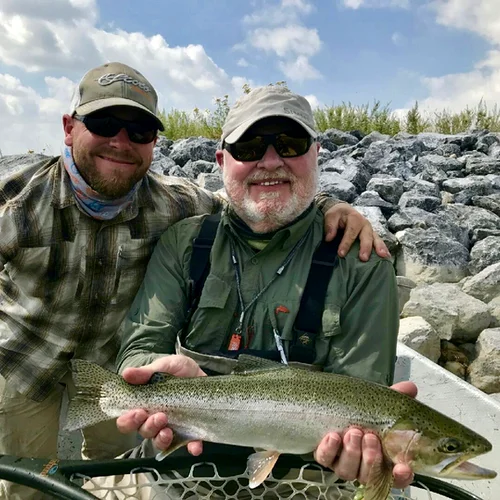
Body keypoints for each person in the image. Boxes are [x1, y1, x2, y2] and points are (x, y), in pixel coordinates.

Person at [0, 63, 388, 500]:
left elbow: (258, 195)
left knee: (108, 458)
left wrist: (331, 204)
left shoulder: (175, 205)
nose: (121, 142)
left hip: (114, 366)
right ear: (69, 128)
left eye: (140, 130)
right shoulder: (12, 199)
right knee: (26, 483)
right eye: (106, 123)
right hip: (25, 361)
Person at [107, 85, 417, 499]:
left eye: (290, 144)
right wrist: (154, 373)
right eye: (249, 147)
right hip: (185, 470)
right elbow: (139, 348)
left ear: (316, 155)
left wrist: (362, 453)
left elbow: (360, 399)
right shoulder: (184, 243)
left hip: (308, 480)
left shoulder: (361, 261)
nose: (270, 161)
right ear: (222, 161)